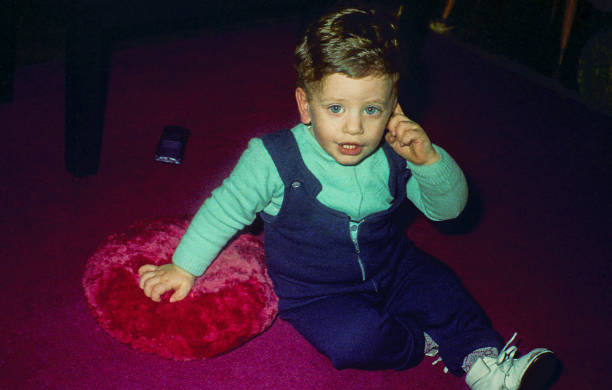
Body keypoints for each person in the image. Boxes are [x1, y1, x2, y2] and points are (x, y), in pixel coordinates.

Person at [138, 2, 557, 389]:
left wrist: (429, 161)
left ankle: (484, 363)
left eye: (371, 110)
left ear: (394, 106)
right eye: (336, 108)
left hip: (393, 265)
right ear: (306, 105)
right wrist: (183, 266)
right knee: (354, 343)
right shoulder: (271, 159)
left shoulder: (397, 151)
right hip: (315, 292)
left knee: (442, 287)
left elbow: (448, 211)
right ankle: (421, 341)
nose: (355, 128)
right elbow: (222, 211)